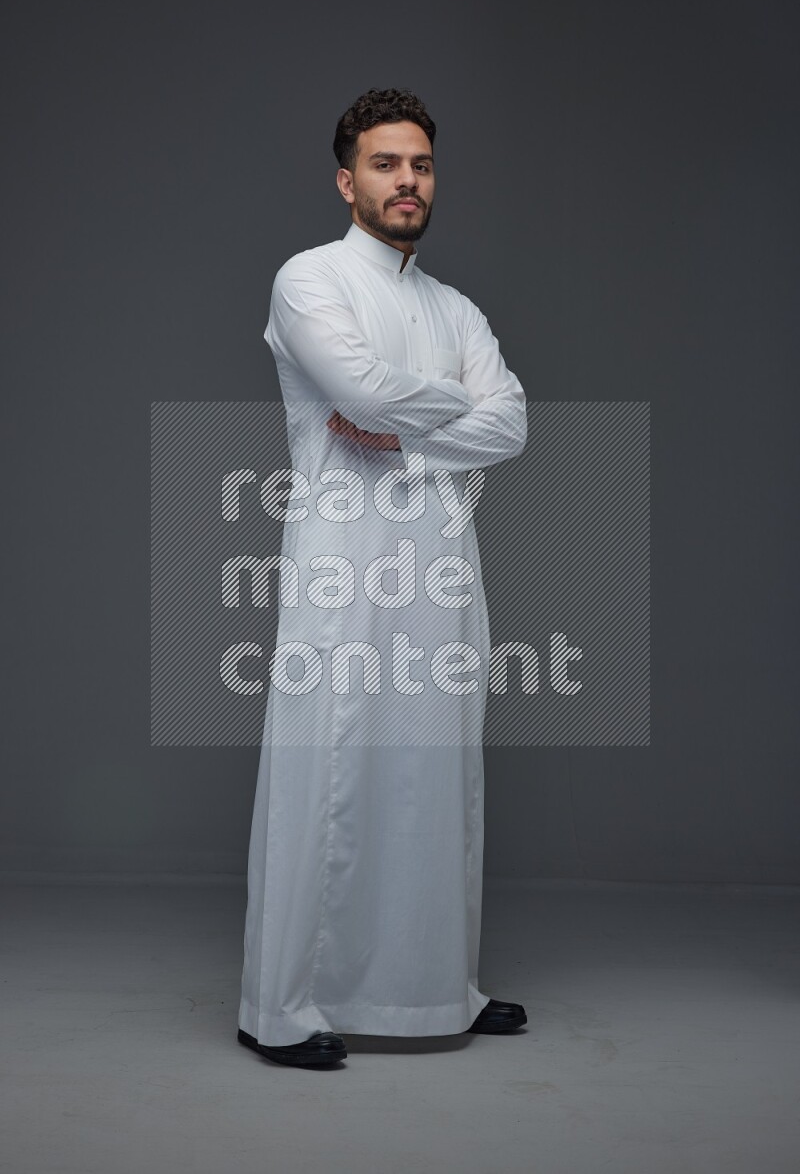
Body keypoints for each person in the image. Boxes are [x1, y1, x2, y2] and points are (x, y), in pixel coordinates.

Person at [237, 87, 528, 1068]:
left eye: (421, 165)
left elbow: (513, 422)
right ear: (345, 180)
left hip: (441, 570)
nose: (407, 181)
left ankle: (435, 989)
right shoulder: (307, 280)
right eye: (385, 163)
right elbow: (358, 390)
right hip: (343, 565)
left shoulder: (454, 306)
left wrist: (406, 438)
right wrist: (453, 410)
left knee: (434, 775)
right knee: (327, 767)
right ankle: (280, 1005)